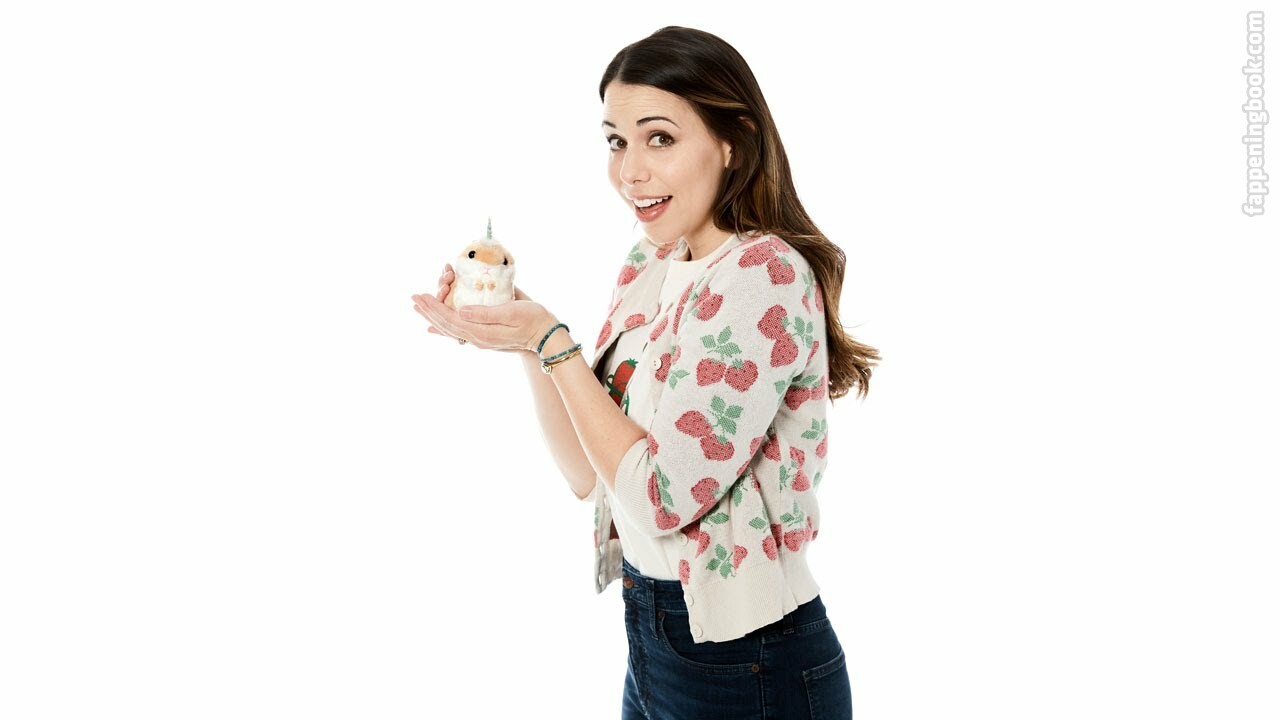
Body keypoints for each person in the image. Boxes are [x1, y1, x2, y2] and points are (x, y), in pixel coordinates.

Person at [412, 25, 879, 720]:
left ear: (734, 140)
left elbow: (662, 498)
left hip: (747, 661)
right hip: (655, 639)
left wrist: (550, 338)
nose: (629, 172)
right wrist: (526, 344)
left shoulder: (762, 275)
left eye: (659, 138)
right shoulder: (651, 262)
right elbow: (591, 475)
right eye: (616, 141)